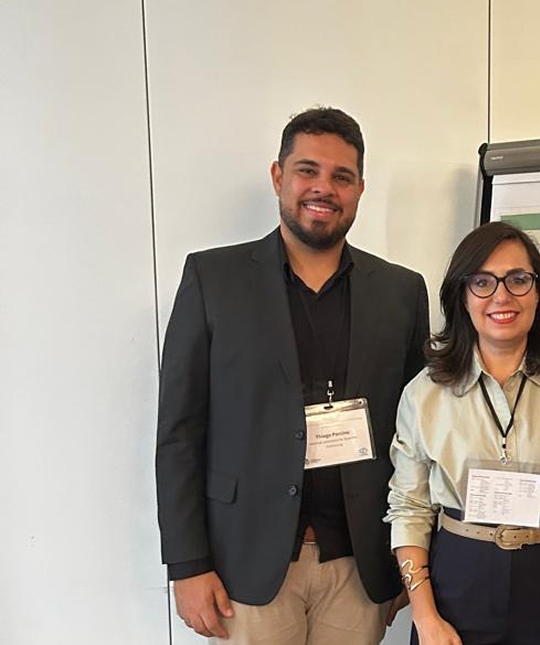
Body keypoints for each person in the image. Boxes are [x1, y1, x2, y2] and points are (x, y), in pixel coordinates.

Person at [156, 107, 429, 644]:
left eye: (341, 176)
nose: (323, 188)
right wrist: (187, 564)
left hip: (360, 562)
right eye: (307, 170)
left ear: (360, 189)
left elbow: (418, 436)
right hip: (246, 563)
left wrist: (414, 563)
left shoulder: (401, 291)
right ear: (279, 176)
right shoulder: (213, 279)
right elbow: (180, 433)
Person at [385, 222, 540, 645]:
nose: (501, 296)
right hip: (457, 583)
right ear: (462, 295)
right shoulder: (425, 394)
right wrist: (425, 618)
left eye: (517, 279)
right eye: (482, 282)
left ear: (537, 291)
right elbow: (410, 508)